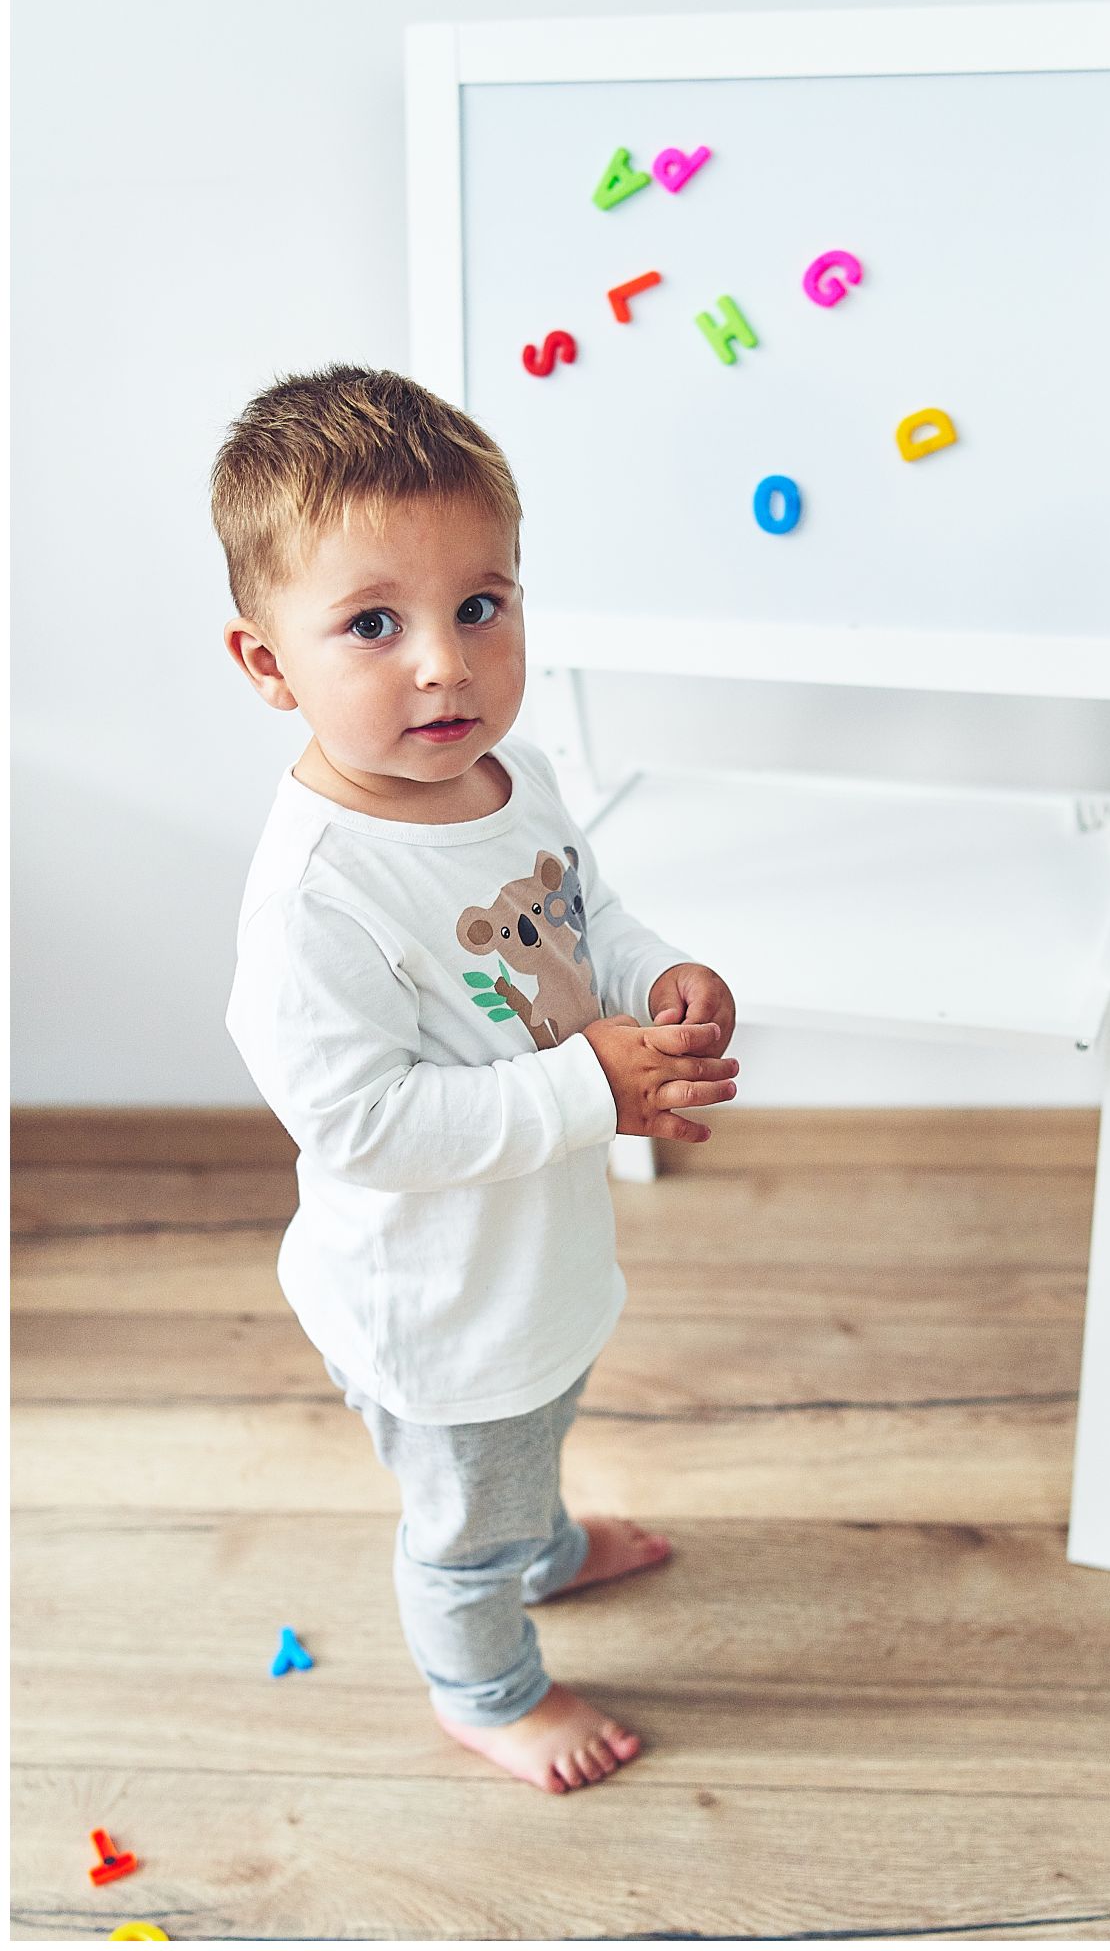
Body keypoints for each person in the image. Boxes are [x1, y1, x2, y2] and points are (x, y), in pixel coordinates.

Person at [214, 363, 739, 1794]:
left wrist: (656, 981)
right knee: (463, 1512)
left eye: (480, 606)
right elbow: (358, 1121)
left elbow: (587, 914)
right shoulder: (320, 897)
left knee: (537, 1423)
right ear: (270, 665)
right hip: (437, 1309)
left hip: (528, 1265)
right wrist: (592, 1091)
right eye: (373, 625)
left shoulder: (513, 774)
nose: (444, 661)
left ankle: (546, 1548)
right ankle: (486, 1685)